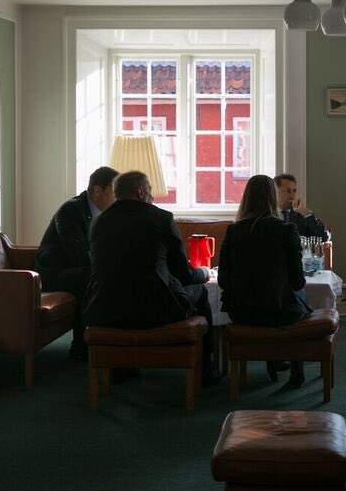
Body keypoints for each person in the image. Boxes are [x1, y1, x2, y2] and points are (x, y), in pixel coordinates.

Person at [81, 171, 216, 384]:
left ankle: (120, 367)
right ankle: (205, 371)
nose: (152, 197)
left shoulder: (98, 222)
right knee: (201, 292)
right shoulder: (161, 218)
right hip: (155, 309)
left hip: (107, 309)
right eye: (150, 191)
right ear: (141, 191)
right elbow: (183, 273)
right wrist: (204, 272)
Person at [218, 174, 312, 388]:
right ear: (272, 197)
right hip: (280, 312)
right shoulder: (286, 230)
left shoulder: (233, 231)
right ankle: (296, 369)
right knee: (299, 298)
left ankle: (274, 359)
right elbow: (297, 282)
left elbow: (223, 280)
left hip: (241, 312)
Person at [34, 165, 118, 360]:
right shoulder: (70, 211)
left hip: (76, 269)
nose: (117, 198)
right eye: (113, 191)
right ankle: (81, 346)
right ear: (97, 190)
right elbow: (78, 255)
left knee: (105, 275)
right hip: (52, 273)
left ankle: (111, 338)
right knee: (89, 276)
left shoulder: (105, 213)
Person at [274, 173, 330, 240]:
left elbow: (323, 237)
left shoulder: (303, 214)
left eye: (294, 191)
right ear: (275, 191)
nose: (292, 195)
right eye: (288, 191)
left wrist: (306, 212)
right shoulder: (267, 214)